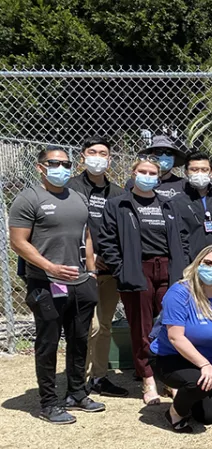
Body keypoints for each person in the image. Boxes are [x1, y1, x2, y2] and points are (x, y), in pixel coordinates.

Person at [9, 146, 102, 424]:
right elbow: (18, 242)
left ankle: (77, 392)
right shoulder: (28, 199)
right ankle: (49, 402)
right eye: (53, 163)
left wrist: (92, 271)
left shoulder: (77, 197)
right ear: (40, 167)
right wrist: (49, 266)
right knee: (48, 343)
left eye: (65, 163)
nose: (60, 168)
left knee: (80, 339)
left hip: (80, 282)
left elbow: (86, 235)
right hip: (46, 283)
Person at [100, 157, 189, 405]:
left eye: (152, 173)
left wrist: (181, 267)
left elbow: (182, 239)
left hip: (169, 270)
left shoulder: (169, 205)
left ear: (159, 177)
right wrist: (121, 269)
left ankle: (172, 378)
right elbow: (107, 241)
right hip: (137, 269)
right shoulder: (118, 205)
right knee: (142, 326)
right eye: (143, 171)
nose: (147, 176)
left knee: (172, 324)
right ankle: (147, 378)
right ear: (133, 173)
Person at [150, 246, 212, 431]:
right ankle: (174, 413)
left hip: (209, 361)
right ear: (197, 263)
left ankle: (187, 395)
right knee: (196, 383)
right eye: (207, 263)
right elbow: (176, 338)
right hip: (171, 357)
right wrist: (204, 365)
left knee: (209, 417)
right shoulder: (179, 293)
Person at [67, 136, 127, 397]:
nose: (98, 157)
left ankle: (99, 377)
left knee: (104, 326)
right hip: (79, 271)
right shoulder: (70, 188)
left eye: (103, 153)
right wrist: (90, 259)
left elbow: (122, 231)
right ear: (82, 156)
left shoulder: (117, 193)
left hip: (109, 271)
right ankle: (77, 380)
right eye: (92, 152)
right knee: (84, 327)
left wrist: (110, 257)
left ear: (110, 159)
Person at [170, 151, 212, 259]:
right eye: (194, 170)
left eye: (204, 170)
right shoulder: (175, 203)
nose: (199, 173)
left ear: (210, 172)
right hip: (188, 264)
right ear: (186, 172)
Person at [141, 134, 188, 199]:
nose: (164, 155)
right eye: (159, 152)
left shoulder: (184, 185)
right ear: (151, 156)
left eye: (169, 152)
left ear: (174, 157)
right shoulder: (139, 183)